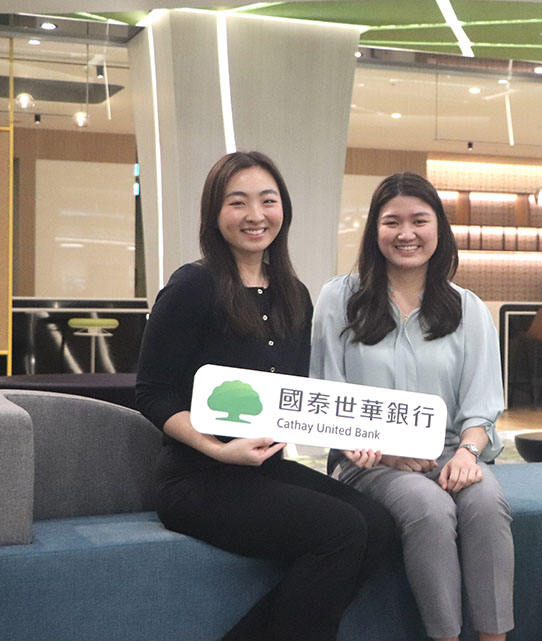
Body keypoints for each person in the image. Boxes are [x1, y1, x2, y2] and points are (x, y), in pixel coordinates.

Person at [135, 151, 395, 641]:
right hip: (197, 478)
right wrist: (218, 448)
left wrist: (348, 437)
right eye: (238, 202)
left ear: (283, 209)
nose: (255, 215)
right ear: (215, 214)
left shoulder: (293, 293)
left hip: (265, 471)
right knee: (341, 529)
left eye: (267, 200)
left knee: (378, 524)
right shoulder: (193, 286)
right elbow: (152, 392)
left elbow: (295, 398)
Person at [310, 172, 513, 641]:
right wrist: (384, 450)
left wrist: (468, 454)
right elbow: (327, 396)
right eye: (392, 222)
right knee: (428, 506)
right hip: (366, 459)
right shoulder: (339, 299)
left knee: (486, 503)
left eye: (419, 221)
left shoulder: (467, 308)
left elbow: (481, 406)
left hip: (450, 452)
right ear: (374, 230)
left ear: (438, 228)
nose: (407, 234)